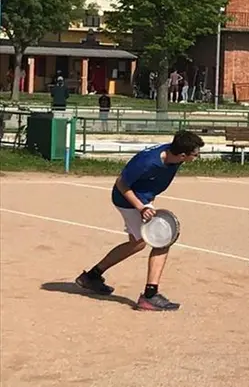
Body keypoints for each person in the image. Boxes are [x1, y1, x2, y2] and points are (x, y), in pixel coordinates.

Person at [75, 130, 204, 311]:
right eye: (195, 155)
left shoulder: (175, 156)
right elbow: (121, 183)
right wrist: (141, 207)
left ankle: (92, 276)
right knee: (162, 239)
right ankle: (150, 296)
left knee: (137, 243)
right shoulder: (148, 162)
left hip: (144, 198)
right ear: (183, 154)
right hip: (128, 200)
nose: (197, 158)